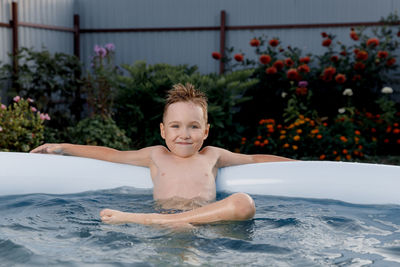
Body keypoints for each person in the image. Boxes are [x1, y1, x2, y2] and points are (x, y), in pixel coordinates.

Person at [31, 83, 294, 227]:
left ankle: (144, 221)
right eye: (176, 126)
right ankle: (160, 221)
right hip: (168, 218)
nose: (184, 134)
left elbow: (254, 159)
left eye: (193, 127)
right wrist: (62, 147)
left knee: (243, 203)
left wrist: (302, 165)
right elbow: (111, 155)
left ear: (206, 131)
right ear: (163, 130)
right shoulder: (156, 155)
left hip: (207, 219)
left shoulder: (211, 155)